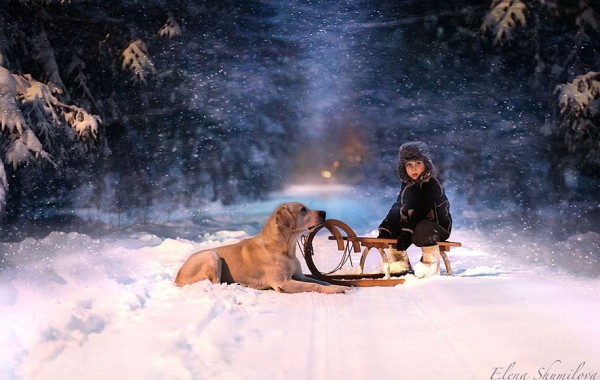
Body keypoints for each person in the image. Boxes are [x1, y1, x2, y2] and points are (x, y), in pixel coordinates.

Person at [378, 141, 452, 278]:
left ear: (426, 165)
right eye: (409, 165)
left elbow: (423, 209)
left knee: (422, 226)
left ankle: (429, 264)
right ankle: (399, 264)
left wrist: (408, 231)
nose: (414, 169)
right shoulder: (406, 186)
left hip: (436, 227)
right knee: (395, 228)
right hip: (414, 225)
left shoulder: (431, 183)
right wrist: (386, 228)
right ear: (403, 168)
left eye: (418, 163)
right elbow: (398, 208)